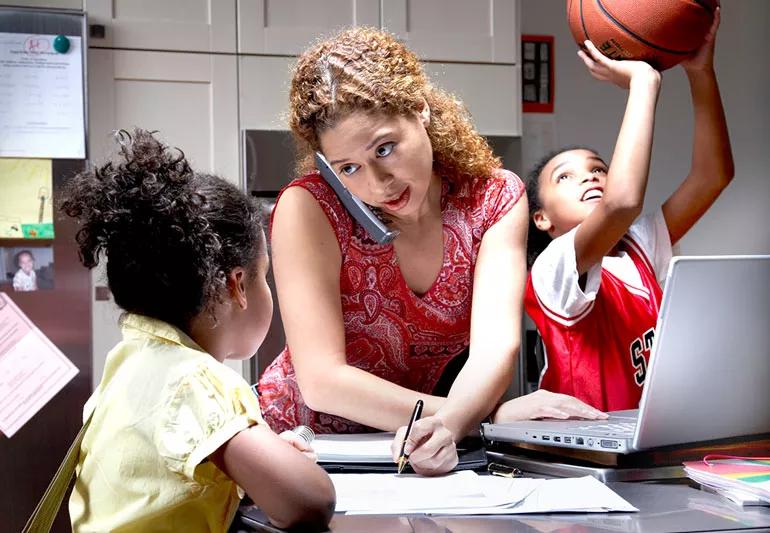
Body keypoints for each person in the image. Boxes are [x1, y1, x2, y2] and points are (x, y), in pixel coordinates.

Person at [257, 27, 604, 476]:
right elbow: (324, 382)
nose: (377, 184)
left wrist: (453, 423)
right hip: (301, 450)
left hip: (419, 449)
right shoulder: (308, 207)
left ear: (420, 109)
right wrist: (478, 418)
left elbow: (495, 347)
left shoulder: (494, 199)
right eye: (349, 168)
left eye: (385, 148)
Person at [61, 130, 335, 532]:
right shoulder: (193, 381)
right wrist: (288, 463)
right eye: (264, 276)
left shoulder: (128, 365)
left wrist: (265, 456)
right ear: (237, 285)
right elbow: (310, 501)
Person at [499, 9, 733, 416]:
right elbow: (622, 202)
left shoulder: (640, 246)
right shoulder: (552, 269)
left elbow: (713, 175)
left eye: (598, 169)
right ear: (542, 218)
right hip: (579, 447)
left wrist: (701, 72)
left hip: (640, 436)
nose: (589, 178)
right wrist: (644, 82)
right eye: (565, 177)